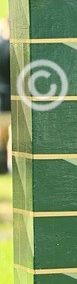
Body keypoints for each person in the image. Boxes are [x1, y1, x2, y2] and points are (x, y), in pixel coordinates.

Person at [0, 17, 10, 175]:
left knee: (2, 135)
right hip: (15, 95)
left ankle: (2, 166)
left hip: (2, 96)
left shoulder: (1, 46)